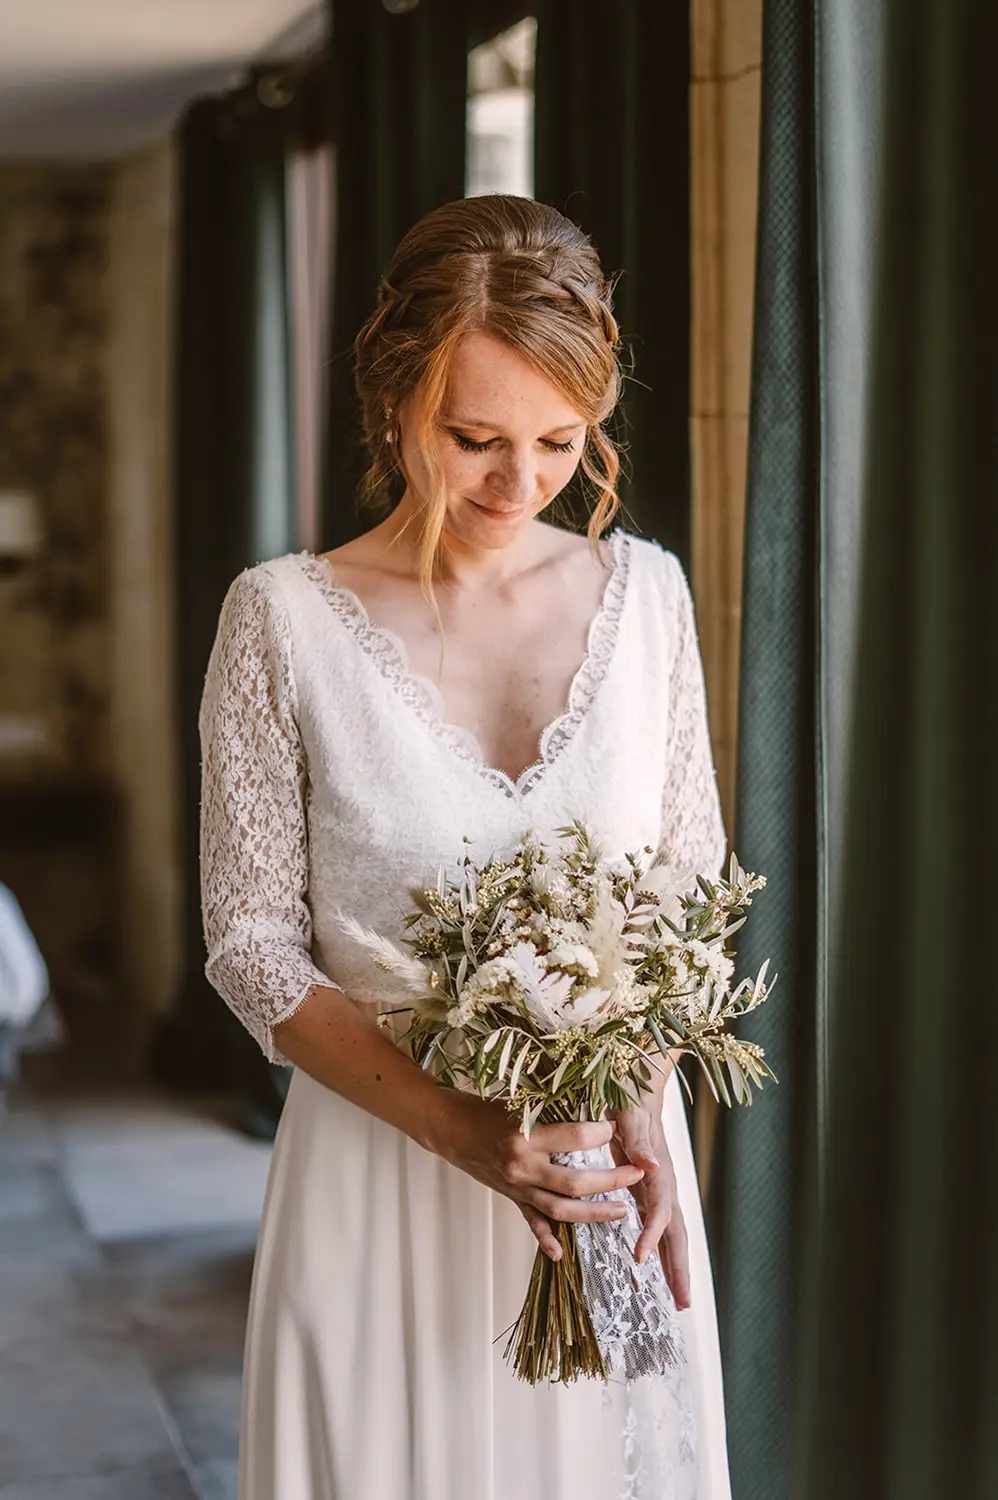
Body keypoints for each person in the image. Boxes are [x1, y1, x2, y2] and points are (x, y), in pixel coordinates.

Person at [200, 194, 731, 1500]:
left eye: (560, 441)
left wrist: (641, 1101)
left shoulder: (647, 599)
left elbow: (686, 888)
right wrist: (460, 1129)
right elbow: (250, 942)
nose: (517, 482)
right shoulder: (281, 621)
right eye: (474, 437)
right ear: (392, 405)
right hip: (379, 1184)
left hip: (600, 1174)